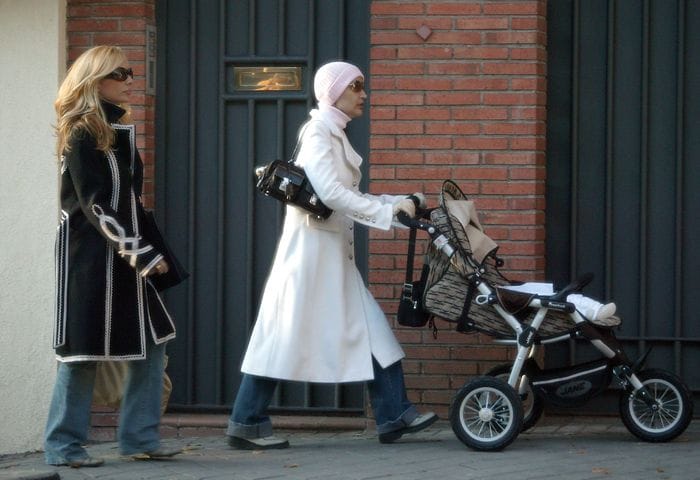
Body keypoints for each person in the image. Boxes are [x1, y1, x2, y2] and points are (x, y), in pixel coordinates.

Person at [226, 61, 437, 450]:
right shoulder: (319, 133)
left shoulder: (332, 132)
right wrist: (389, 212)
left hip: (331, 255)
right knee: (282, 336)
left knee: (371, 330)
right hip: (311, 258)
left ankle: (394, 413)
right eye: (355, 86)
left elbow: (346, 195)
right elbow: (331, 195)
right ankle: (246, 420)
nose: (363, 93)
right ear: (333, 91)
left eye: (362, 85)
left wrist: (398, 204)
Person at [44, 45, 181, 468]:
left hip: (124, 253)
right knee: (82, 352)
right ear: (96, 79)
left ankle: (139, 437)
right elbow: (95, 204)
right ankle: (63, 446)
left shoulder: (114, 128)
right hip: (90, 256)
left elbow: (130, 202)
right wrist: (140, 252)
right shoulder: (82, 129)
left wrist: (149, 249)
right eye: (121, 74)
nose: (130, 80)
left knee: (153, 341)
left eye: (131, 72)